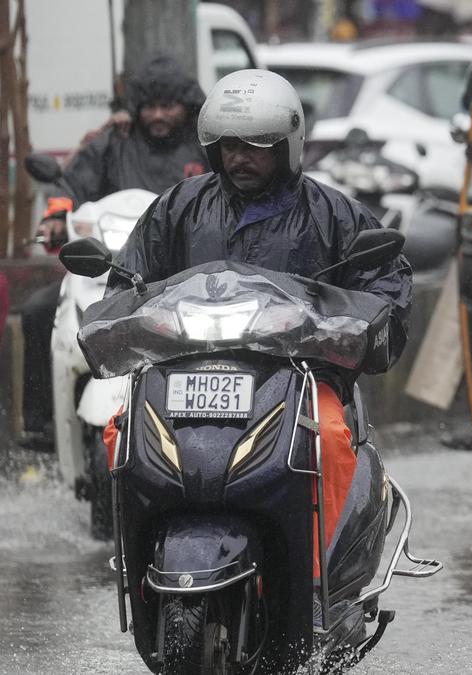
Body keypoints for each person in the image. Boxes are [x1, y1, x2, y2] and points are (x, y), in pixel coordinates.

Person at [102, 69, 412, 586]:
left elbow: (386, 284)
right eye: (228, 145)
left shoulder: (333, 214)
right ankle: (136, 563)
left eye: (257, 145)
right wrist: (123, 314)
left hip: (295, 381)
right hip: (188, 378)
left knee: (331, 439)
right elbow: (129, 279)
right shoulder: (179, 207)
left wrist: (357, 324)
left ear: (287, 146)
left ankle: (322, 581)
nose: (240, 156)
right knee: (121, 431)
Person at [18, 55, 208, 450]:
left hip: (187, 276)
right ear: (135, 107)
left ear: (186, 108)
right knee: (39, 312)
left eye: (167, 106)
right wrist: (56, 219)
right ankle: (41, 426)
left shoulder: (206, 146)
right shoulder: (114, 142)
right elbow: (69, 186)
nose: (157, 115)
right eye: (149, 106)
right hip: (111, 273)